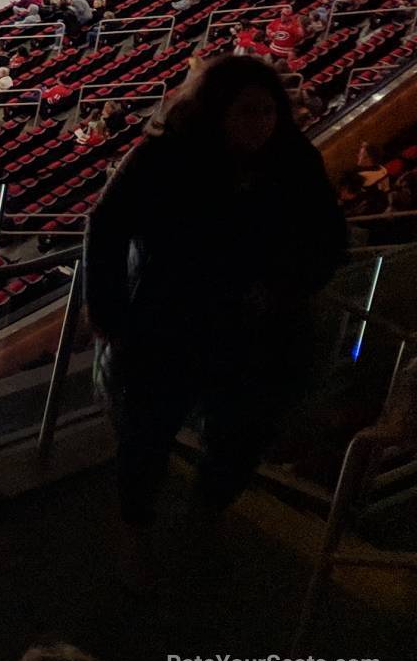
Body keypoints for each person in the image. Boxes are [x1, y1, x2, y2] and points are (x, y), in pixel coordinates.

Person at [84, 55, 343, 542]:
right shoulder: (163, 157)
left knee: (241, 436)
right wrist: (107, 309)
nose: (260, 124)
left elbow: (328, 240)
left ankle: (207, 510)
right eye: (247, 111)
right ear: (215, 109)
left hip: (257, 329)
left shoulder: (294, 159)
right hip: (168, 320)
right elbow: (106, 227)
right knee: (146, 434)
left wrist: (284, 289)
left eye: (268, 112)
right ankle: (135, 525)